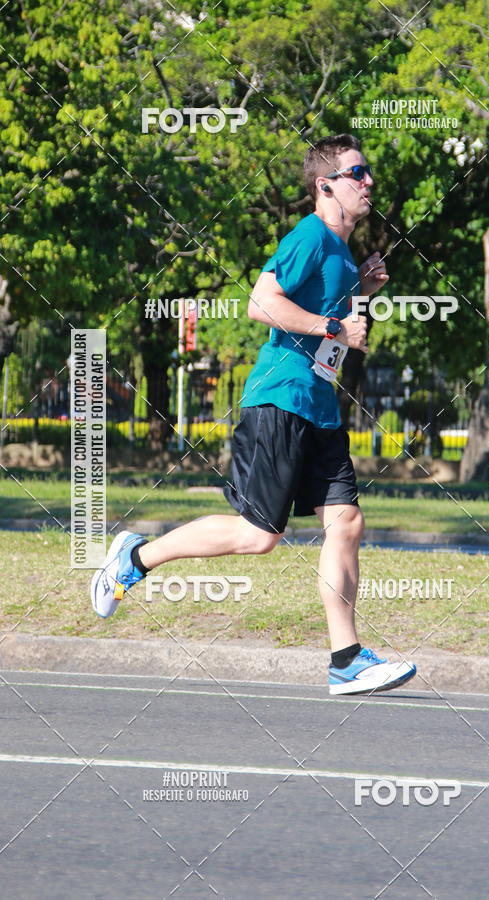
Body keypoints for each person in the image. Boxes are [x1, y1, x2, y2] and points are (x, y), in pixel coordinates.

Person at [91, 133, 417, 696]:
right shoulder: (310, 236)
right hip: (279, 401)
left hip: (318, 407)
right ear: (325, 185)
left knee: (347, 523)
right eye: (357, 173)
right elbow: (261, 302)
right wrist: (336, 325)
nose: (369, 183)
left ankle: (346, 660)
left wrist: (358, 291)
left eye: (368, 174)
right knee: (258, 535)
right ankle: (135, 557)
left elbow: (327, 331)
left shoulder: (340, 253)